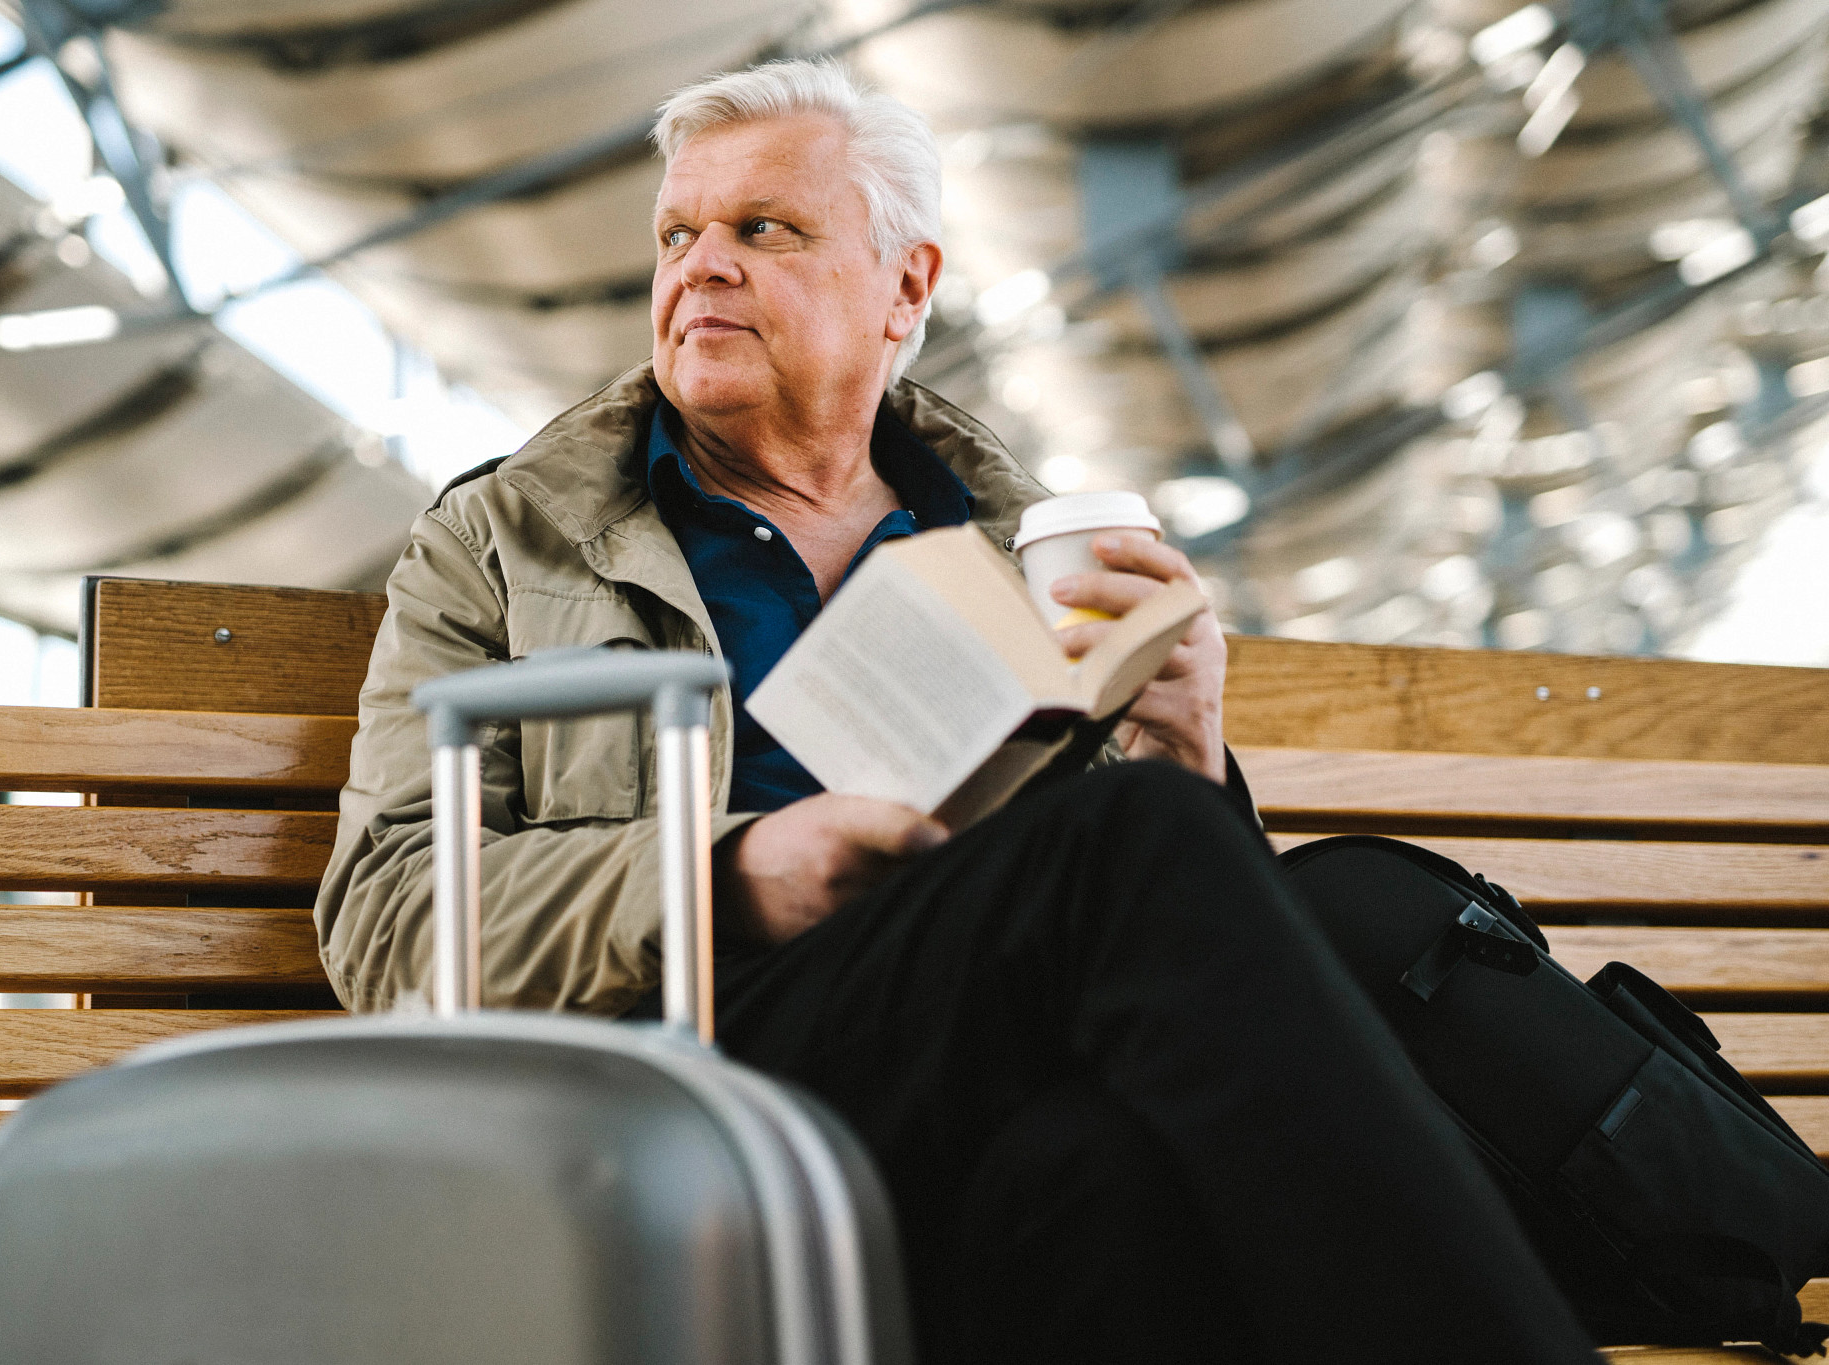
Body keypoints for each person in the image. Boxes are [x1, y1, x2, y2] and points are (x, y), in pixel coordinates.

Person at [317, 58, 1600, 1364]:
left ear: (907, 288)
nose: (699, 265)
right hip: (673, 1075)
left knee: (1100, 1169)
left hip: (961, 1074)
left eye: (764, 228)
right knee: (1136, 842)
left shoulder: (1010, 546)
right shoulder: (505, 537)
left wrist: (1184, 742)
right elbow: (382, 918)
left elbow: (1182, 991)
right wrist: (733, 872)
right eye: (677, 233)